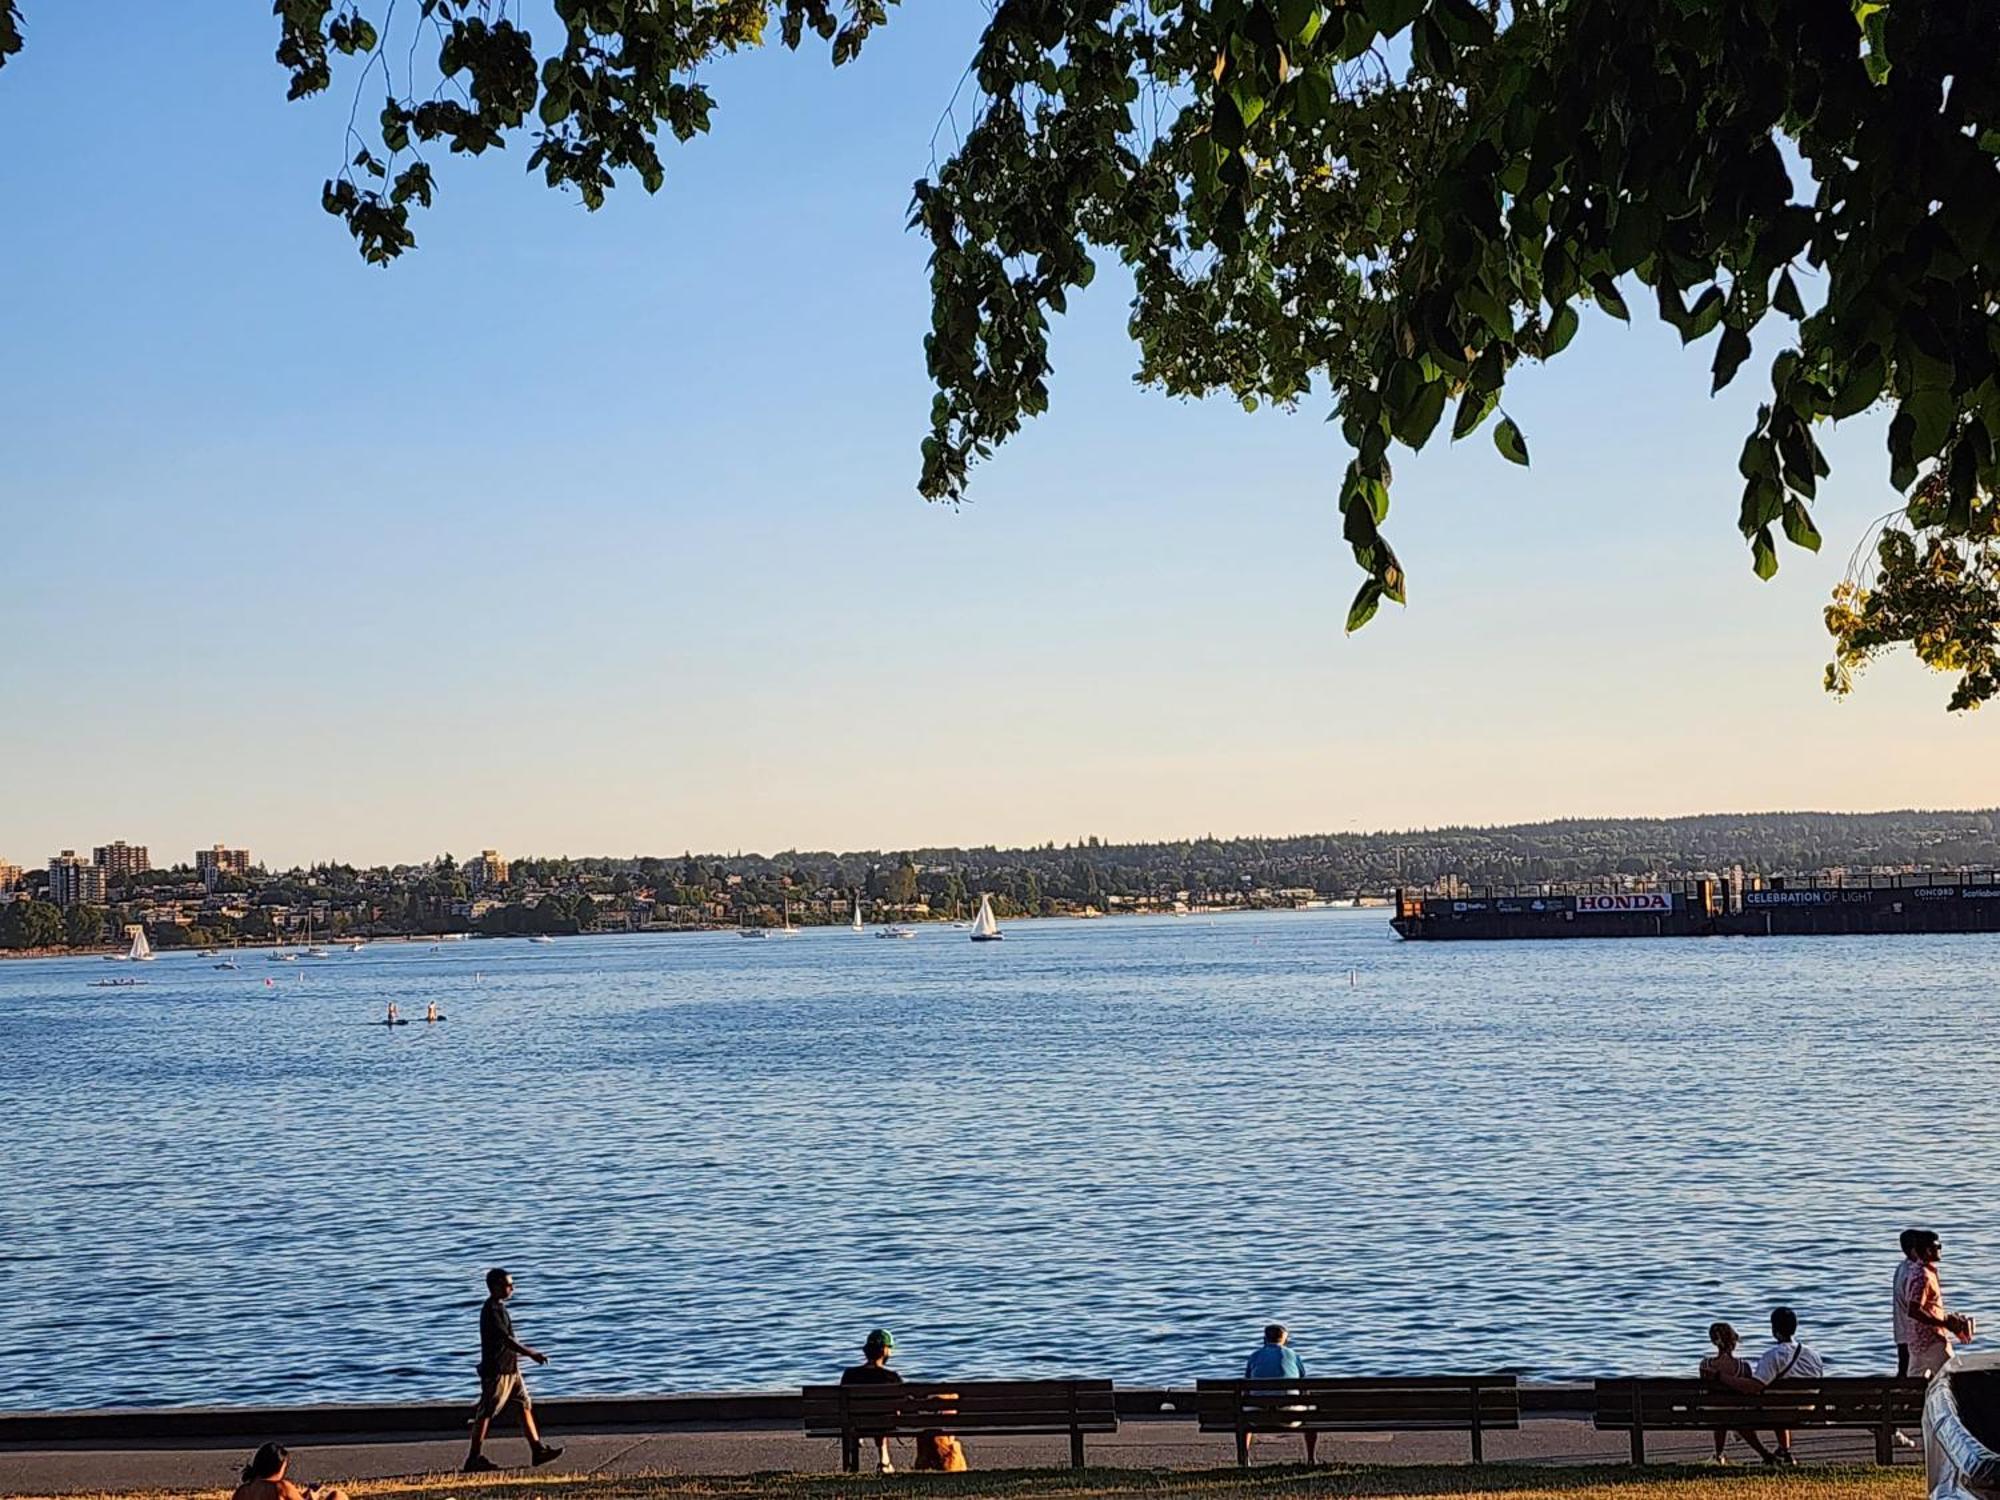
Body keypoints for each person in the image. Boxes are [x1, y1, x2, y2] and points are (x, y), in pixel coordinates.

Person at [464, 1267, 562, 1473]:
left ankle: (537, 1449)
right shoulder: (490, 1310)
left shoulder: (500, 1308)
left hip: (511, 1370)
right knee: (486, 1412)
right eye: (509, 1285)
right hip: (497, 1371)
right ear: (495, 1287)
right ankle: (474, 1457)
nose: (512, 1288)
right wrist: (531, 1354)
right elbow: (506, 1340)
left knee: (523, 1405)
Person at [1714, 1306, 1825, 1465]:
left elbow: (1754, 1387)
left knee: (1738, 1417)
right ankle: (1784, 1452)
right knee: (1779, 1400)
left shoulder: (1772, 1356)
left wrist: (1721, 1377)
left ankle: (1767, 1456)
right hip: (1807, 1411)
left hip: (1778, 1410)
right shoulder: (1813, 1355)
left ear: (1774, 1329)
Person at [1902, 1229, 1974, 1380]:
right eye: (1938, 1247)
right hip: (1931, 1341)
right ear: (1929, 1250)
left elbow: (1925, 1307)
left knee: (1913, 1384)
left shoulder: (1918, 1271)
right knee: (1954, 1378)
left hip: (1917, 1342)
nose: (1940, 1250)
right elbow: (1914, 1310)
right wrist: (1944, 1323)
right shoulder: (1923, 1276)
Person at [1243, 1323, 1317, 1465]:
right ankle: (1311, 1459)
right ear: (1284, 1339)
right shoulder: (1294, 1356)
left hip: (1257, 1418)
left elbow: (1247, 1388)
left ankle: (1245, 1459)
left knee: (1244, 1414)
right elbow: (1303, 1386)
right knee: (1311, 1411)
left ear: (1264, 1339)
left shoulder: (1254, 1356)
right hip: (1290, 1417)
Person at [1698, 1323, 1771, 1464]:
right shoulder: (1744, 1366)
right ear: (1734, 1342)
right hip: (1737, 1411)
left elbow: (1704, 1391)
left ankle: (1719, 1455)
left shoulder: (1705, 1365)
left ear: (1714, 1342)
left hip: (1711, 1412)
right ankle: (1765, 1454)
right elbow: (1749, 1393)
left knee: (1720, 1413)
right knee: (1732, 1414)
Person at [840, 1328, 903, 1473]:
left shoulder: (849, 1375)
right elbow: (900, 1408)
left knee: (869, 1416)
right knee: (882, 1417)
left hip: (855, 1423)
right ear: (885, 1351)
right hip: (885, 1423)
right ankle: (884, 1461)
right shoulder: (892, 1378)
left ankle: (853, 1462)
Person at [231, 1444, 349, 1500]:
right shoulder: (281, 1487)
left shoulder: (242, 1492)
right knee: (338, 1496)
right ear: (279, 1466)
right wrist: (313, 1496)